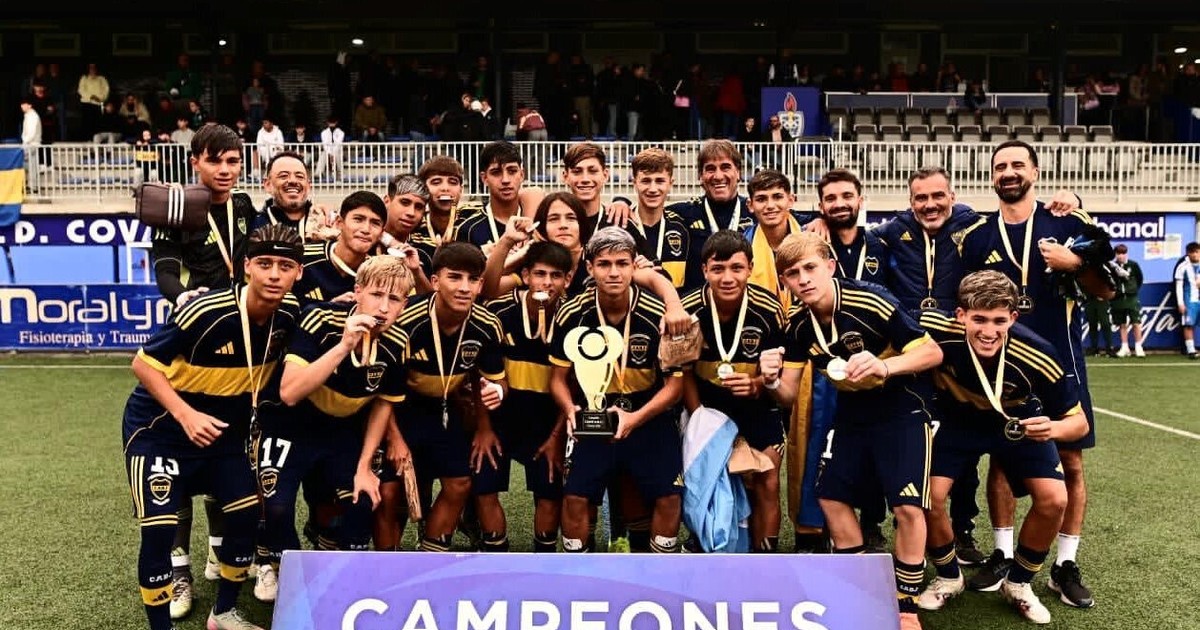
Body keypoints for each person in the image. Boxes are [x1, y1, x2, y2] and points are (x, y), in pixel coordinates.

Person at [122, 224, 304, 630]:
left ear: (298, 273)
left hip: (222, 435)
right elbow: (142, 365)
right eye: (265, 264)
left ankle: (222, 613)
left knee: (245, 515)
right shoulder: (205, 311)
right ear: (246, 267)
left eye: (285, 266)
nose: (274, 274)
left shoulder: (291, 314)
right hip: (160, 431)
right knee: (159, 529)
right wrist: (185, 415)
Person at [759, 231, 943, 630]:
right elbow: (788, 396)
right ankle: (860, 590)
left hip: (903, 408)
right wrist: (770, 378)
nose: (803, 279)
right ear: (784, 281)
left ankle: (906, 605)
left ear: (830, 266)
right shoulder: (798, 326)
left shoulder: (870, 301)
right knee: (831, 498)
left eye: (810, 268)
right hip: (852, 415)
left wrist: (885, 366)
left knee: (907, 507)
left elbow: (932, 352)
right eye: (793, 273)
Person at [957, 140, 1112, 608]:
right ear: (991, 176)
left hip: (1061, 360)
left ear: (1036, 171)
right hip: (1003, 366)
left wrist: (1076, 263)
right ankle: (1003, 555)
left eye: (1017, 165)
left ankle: (1064, 565)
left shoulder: (1068, 222)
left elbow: (1105, 290)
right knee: (1003, 458)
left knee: (1071, 462)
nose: (1008, 172)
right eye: (1000, 166)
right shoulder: (977, 235)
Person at [916, 271, 1087, 625]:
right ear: (960, 315)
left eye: (998, 320)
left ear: (1013, 317)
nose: (988, 331)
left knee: (1054, 499)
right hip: (957, 421)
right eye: (978, 319)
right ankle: (949, 576)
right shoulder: (932, 331)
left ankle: (1019, 583)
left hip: (1016, 423)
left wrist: (1053, 428)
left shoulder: (1039, 353)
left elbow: (1079, 423)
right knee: (928, 496)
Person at [253, 256, 412, 601]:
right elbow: (289, 392)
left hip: (341, 430)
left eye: (395, 299)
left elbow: (383, 404)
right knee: (275, 506)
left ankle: (345, 576)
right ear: (357, 292)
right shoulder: (321, 319)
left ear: (404, 304)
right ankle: (279, 569)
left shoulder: (399, 340)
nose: (384, 308)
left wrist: (364, 466)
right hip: (287, 425)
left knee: (363, 498)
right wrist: (344, 346)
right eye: (376, 295)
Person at [871, 167, 986, 563]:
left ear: (952, 196)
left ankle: (963, 530)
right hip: (911, 357)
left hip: (957, 357)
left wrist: (1072, 202)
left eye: (938, 196)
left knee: (964, 448)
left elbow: (1019, 220)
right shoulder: (892, 231)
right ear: (910, 201)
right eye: (921, 198)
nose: (930, 204)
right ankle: (888, 523)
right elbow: (848, 232)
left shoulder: (972, 227)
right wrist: (814, 219)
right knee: (899, 443)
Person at [549, 227, 685, 553]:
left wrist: (635, 418)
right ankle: (577, 570)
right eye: (604, 264)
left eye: (622, 263)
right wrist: (569, 409)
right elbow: (557, 379)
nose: (613, 273)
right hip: (593, 414)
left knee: (669, 497)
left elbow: (675, 386)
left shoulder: (659, 314)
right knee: (575, 497)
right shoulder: (572, 313)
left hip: (648, 413)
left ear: (634, 266)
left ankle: (657, 571)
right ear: (589, 267)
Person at [385, 242, 508, 552]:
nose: (464, 287)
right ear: (435, 280)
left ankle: (430, 554)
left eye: (472, 279)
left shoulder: (487, 324)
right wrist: (395, 439)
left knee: (459, 483)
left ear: (481, 284)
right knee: (391, 494)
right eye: (454, 277)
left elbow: (490, 381)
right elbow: (379, 392)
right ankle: (387, 565)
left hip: (445, 407)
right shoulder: (405, 320)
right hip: (397, 410)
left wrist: (486, 423)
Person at [680, 230, 787, 552]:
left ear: (751, 268)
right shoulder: (687, 310)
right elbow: (683, 373)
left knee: (767, 479)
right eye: (718, 269)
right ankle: (706, 546)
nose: (727, 278)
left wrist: (756, 384)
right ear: (704, 270)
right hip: (706, 408)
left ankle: (765, 561)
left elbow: (780, 369)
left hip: (757, 408)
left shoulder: (769, 308)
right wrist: (699, 419)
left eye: (737, 268)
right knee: (707, 480)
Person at [475, 242, 574, 552]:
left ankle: (543, 556)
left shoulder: (575, 317)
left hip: (547, 421)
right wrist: (483, 427)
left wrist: (557, 437)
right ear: (526, 275)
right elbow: (479, 376)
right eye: (540, 274)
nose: (547, 283)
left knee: (549, 494)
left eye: (556, 276)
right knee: (484, 488)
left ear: (568, 279)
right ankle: (496, 555)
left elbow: (575, 386)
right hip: (500, 419)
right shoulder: (498, 312)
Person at [668, 140, 756, 290]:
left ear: (738, 173)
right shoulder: (683, 214)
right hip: (698, 302)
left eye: (725, 167)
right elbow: (647, 215)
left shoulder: (755, 212)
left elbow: (793, 217)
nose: (718, 176)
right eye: (710, 169)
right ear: (700, 176)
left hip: (747, 301)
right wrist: (624, 203)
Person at [292, 191, 387, 305]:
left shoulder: (380, 274)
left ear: (381, 233)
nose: (366, 229)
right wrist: (330, 307)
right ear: (339, 223)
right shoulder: (301, 258)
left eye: (375, 223)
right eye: (358, 219)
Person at [626, 148, 690, 288]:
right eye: (646, 181)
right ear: (634, 183)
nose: (653, 189)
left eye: (660, 181)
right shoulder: (622, 225)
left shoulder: (682, 227)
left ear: (670, 183)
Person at [1110, 244, 1145, 357]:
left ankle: (1138, 346)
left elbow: (1139, 279)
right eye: (1118, 253)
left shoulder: (1133, 265)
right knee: (1122, 323)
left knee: (1136, 322)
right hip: (1118, 298)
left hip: (1131, 298)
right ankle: (1124, 347)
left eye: (1123, 253)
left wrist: (1132, 289)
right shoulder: (1112, 266)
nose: (1121, 256)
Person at [1172, 242, 1200, 359]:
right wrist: (1180, 303)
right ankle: (1191, 350)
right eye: (1192, 252)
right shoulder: (1182, 266)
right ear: (1188, 253)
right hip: (1189, 300)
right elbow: (1178, 286)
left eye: (1197, 252)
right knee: (1188, 325)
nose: (1195, 255)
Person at [77, 63, 110, 139]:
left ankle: (96, 140)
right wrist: (91, 97)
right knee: (87, 123)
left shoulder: (101, 79)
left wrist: (100, 98)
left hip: (98, 104)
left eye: (94, 68)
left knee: (97, 124)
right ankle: (87, 139)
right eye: (91, 68)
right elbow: (81, 90)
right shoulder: (84, 78)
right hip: (87, 103)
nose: (92, 70)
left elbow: (106, 90)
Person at [20, 97, 41, 193]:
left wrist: (25, 140)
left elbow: (31, 133)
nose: (22, 106)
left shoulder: (33, 116)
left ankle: (33, 186)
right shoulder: (28, 115)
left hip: (31, 144)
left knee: (31, 166)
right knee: (30, 165)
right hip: (28, 144)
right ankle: (30, 185)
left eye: (24, 104)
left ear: (29, 105)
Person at [316, 116, 345, 182]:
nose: (332, 125)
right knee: (323, 154)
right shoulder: (324, 133)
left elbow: (338, 145)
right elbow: (325, 145)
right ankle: (318, 173)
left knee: (337, 154)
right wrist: (330, 154)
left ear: (336, 123)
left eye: (333, 123)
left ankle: (341, 174)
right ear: (328, 123)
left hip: (337, 152)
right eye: (330, 123)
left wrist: (333, 154)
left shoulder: (341, 133)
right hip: (327, 152)